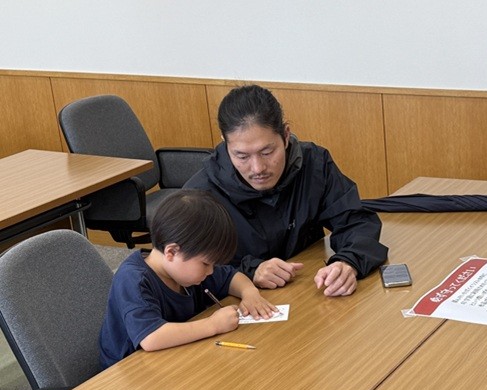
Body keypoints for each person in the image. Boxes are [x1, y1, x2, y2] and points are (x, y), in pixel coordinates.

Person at [185, 84, 388, 297]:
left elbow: (356, 220)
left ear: (285, 135)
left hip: (308, 294)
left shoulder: (315, 164)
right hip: (241, 307)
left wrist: (349, 262)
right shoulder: (199, 196)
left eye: (267, 151)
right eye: (242, 156)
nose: (258, 168)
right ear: (225, 145)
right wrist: (250, 271)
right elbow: (187, 271)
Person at [99, 189, 277, 368]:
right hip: (128, 374)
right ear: (172, 252)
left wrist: (249, 292)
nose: (210, 271)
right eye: (206, 264)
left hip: (174, 359)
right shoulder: (133, 280)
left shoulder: (186, 269)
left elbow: (231, 277)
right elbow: (151, 338)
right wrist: (212, 325)